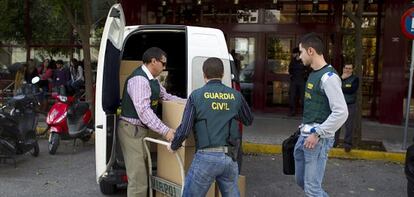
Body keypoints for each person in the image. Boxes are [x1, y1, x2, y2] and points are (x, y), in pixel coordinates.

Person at [168, 57, 253, 197]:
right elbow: (248, 120)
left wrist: (173, 145)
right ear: (223, 74)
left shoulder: (196, 96)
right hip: (230, 157)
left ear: (204, 74)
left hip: (206, 158)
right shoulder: (236, 95)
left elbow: (185, 129)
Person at [118, 47, 184, 197]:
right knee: (138, 178)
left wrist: (189, 102)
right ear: (153, 61)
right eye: (163, 63)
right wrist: (166, 131)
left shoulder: (152, 80)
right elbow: (144, 112)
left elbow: (167, 97)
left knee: (144, 171)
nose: (165, 67)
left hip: (140, 130)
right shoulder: (139, 80)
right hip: (132, 130)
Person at [293, 33, 348, 197]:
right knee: (301, 181)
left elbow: (341, 112)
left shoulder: (328, 77)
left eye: (301, 52)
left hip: (317, 139)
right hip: (306, 135)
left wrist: (317, 132)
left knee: (312, 189)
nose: (299, 57)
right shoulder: (313, 73)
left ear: (311, 51)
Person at [334, 63, 359, 152]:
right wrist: (341, 80)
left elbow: (352, 90)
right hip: (339, 105)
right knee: (336, 125)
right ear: (343, 69)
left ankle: (347, 144)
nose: (348, 70)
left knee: (349, 126)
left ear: (352, 70)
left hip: (350, 105)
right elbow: (334, 88)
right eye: (346, 68)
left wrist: (341, 87)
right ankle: (334, 143)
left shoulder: (355, 79)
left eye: (350, 68)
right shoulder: (338, 78)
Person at [288, 47, 306, 116]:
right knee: (292, 97)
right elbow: (290, 70)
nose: (292, 54)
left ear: (297, 53)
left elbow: (308, 70)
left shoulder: (303, 60)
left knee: (303, 97)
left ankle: (304, 113)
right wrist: (292, 76)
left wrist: (305, 77)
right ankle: (292, 111)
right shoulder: (292, 61)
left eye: (294, 53)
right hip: (294, 81)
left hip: (302, 81)